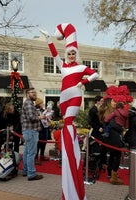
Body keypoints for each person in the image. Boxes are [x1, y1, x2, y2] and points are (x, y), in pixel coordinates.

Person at [41, 23, 99, 199]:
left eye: (74, 53)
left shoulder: (81, 68)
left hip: (74, 96)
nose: (71, 55)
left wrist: (83, 83)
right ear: (67, 54)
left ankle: (69, 151)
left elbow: (95, 74)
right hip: (63, 98)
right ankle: (67, 151)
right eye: (69, 53)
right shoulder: (63, 67)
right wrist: (49, 39)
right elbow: (54, 55)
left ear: (77, 54)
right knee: (66, 122)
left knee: (68, 123)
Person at [99, 97, 124, 185]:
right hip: (114, 138)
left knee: (112, 156)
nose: (115, 102)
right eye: (113, 101)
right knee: (116, 156)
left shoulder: (107, 112)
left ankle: (110, 174)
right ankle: (114, 177)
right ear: (109, 103)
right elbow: (113, 125)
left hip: (110, 138)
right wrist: (121, 128)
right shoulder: (109, 113)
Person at [21, 88, 44, 181]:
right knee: (31, 153)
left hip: (28, 131)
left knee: (27, 152)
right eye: (32, 92)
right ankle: (31, 174)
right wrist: (41, 116)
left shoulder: (28, 103)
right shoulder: (29, 103)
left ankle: (25, 171)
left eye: (35, 92)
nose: (34, 94)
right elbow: (32, 117)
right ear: (27, 94)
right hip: (31, 131)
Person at [88, 96, 107, 168]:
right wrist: (98, 128)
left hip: (101, 131)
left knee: (102, 147)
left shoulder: (101, 109)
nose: (102, 102)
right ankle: (94, 163)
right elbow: (90, 121)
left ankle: (101, 162)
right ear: (97, 101)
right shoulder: (93, 110)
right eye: (101, 101)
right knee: (95, 147)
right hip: (96, 132)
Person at [35, 98, 50, 164]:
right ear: (38, 104)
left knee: (44, 142)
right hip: (39, 128)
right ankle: (35, 158)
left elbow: (46, 117)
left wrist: (48, 118)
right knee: (38, 144)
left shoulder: (43, 110)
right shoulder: (35, 110)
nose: (43, 104)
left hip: (45, 128)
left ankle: (42, 155)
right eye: (42, 103)